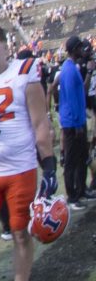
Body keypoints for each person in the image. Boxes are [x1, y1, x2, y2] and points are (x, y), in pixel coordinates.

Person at [0, 26, 56, 281]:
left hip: (21, 169)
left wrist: (48, 166)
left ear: (7, 48)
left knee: (20, 231)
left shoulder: (24, 73)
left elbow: (40, 123)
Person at [53, 35, 88, 210]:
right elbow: (73, 100)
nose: (82, 51)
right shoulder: (68, 70)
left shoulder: (71, 68)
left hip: (77, 120)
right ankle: (72, 197)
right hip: (72, 123)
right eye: (80, 48)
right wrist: (77, 125)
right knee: (71, 161)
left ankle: (81, 191)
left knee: (81, 158)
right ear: (74, 50)